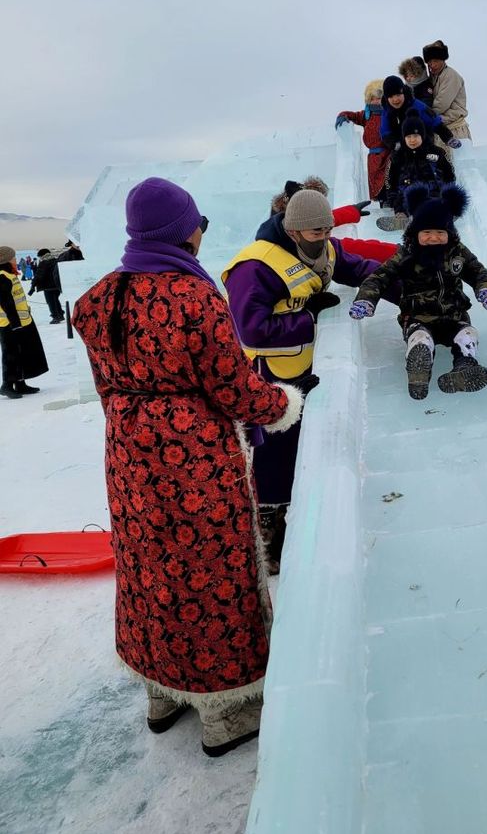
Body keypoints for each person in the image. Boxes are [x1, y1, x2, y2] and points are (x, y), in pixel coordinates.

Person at [71, 177, 305, 757]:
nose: (201, 233)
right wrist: (284, 404)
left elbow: (108, 385)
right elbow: (231, 388)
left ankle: (162, 692)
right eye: (196, 224)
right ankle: (226, 711)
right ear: (182, 233)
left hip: (128, 457)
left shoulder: (98, 298)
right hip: (194, 458)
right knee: (211, 570)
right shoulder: (195, 297)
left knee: (150, 566)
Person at [223, 188, 389, 566]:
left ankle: (293, 520)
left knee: (297, 449)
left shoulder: (322, 247)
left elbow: (356, 267)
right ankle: (268, 533)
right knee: (271, 455)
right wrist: (308, 317)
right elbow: (250, 330)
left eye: (327, 231)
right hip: (266, 376)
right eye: (316, 233)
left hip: (303, 368)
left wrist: (398, 285)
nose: (324, 239)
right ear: (295, 231)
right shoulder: (255, 267)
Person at [349, 183, 487, 400]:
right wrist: (366, 300)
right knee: (420, 338)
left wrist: (485, 289)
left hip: (454, 316)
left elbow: (478, 272)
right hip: (418, 317)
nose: (434, 237)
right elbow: (379, 278)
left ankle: (465, 365)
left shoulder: (458, 252)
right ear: (415, 232)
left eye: (440, 232)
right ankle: (419, 369)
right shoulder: (407, 255)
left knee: (467, 335)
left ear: (450, 232)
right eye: (426, 232)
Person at [262, 177, 396, 263]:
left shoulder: (292, 222)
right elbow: (355, 249)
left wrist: (350, 212)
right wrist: (398, 253)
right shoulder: (299, 246)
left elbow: (319, 220)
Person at [376, 112, 456, 231]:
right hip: (405, 197)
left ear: (422, 136)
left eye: (415, 136)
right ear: (404, 138)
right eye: (408, 137)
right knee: (402, 203)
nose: (412, 140)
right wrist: (393, 200)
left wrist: (449, 196)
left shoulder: (437, 152)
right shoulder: (397, 156)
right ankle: (402, 220)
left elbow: (449, 174)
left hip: (433, 195)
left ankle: (438, 217)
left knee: (434, 206)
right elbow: (390, 181)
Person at [0, 245, 48, 399]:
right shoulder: (2, 276)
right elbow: (6, 302)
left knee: (22, 352)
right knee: (11, 354)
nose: (15, 260)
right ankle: (7, 384)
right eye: (13, 257)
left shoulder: (9, 274)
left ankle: (20, 383)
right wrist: (15, 324)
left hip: (21, 320)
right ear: (6, 260)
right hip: (9, 324)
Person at [335, 79, 390, 202]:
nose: (376, 101)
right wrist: (342, 115)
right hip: (373, 158)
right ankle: (382, 204)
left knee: (388, 182)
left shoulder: (389, 114)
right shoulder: (366, 115)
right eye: (373, 98)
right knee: (376, 186)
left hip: (387, 155)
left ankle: (391, 205)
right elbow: (353, 115)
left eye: (379, 98)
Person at [379, 75, 459, 154]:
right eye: (391, 97)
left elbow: (434, 121)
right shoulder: (387, 111)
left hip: (423, 147)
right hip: (402, 149)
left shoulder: (416, 106)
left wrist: (448, 138)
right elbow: (385, 131)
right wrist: (394, 144)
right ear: (386, 98)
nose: (395, 99)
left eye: (398, 95)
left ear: (404, 92)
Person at [422, 40, 471, 143]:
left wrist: (422, 116)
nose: (432, 65)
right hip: (440, 128)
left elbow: (440, 105)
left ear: (443, 60)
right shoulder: (433, 77)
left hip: (455, 130)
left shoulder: (450, 76)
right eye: (429, 62)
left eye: (435, 61)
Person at [29, 248, 64, 323]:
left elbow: (39, 275)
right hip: (56, 285)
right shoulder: (56, 261)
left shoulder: (44, 263)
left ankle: (56, 317)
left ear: (42, 255)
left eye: (40, 256)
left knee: (51, 302)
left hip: (48, 286)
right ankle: (60, 314)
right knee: (56, 300)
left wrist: (33, 285)